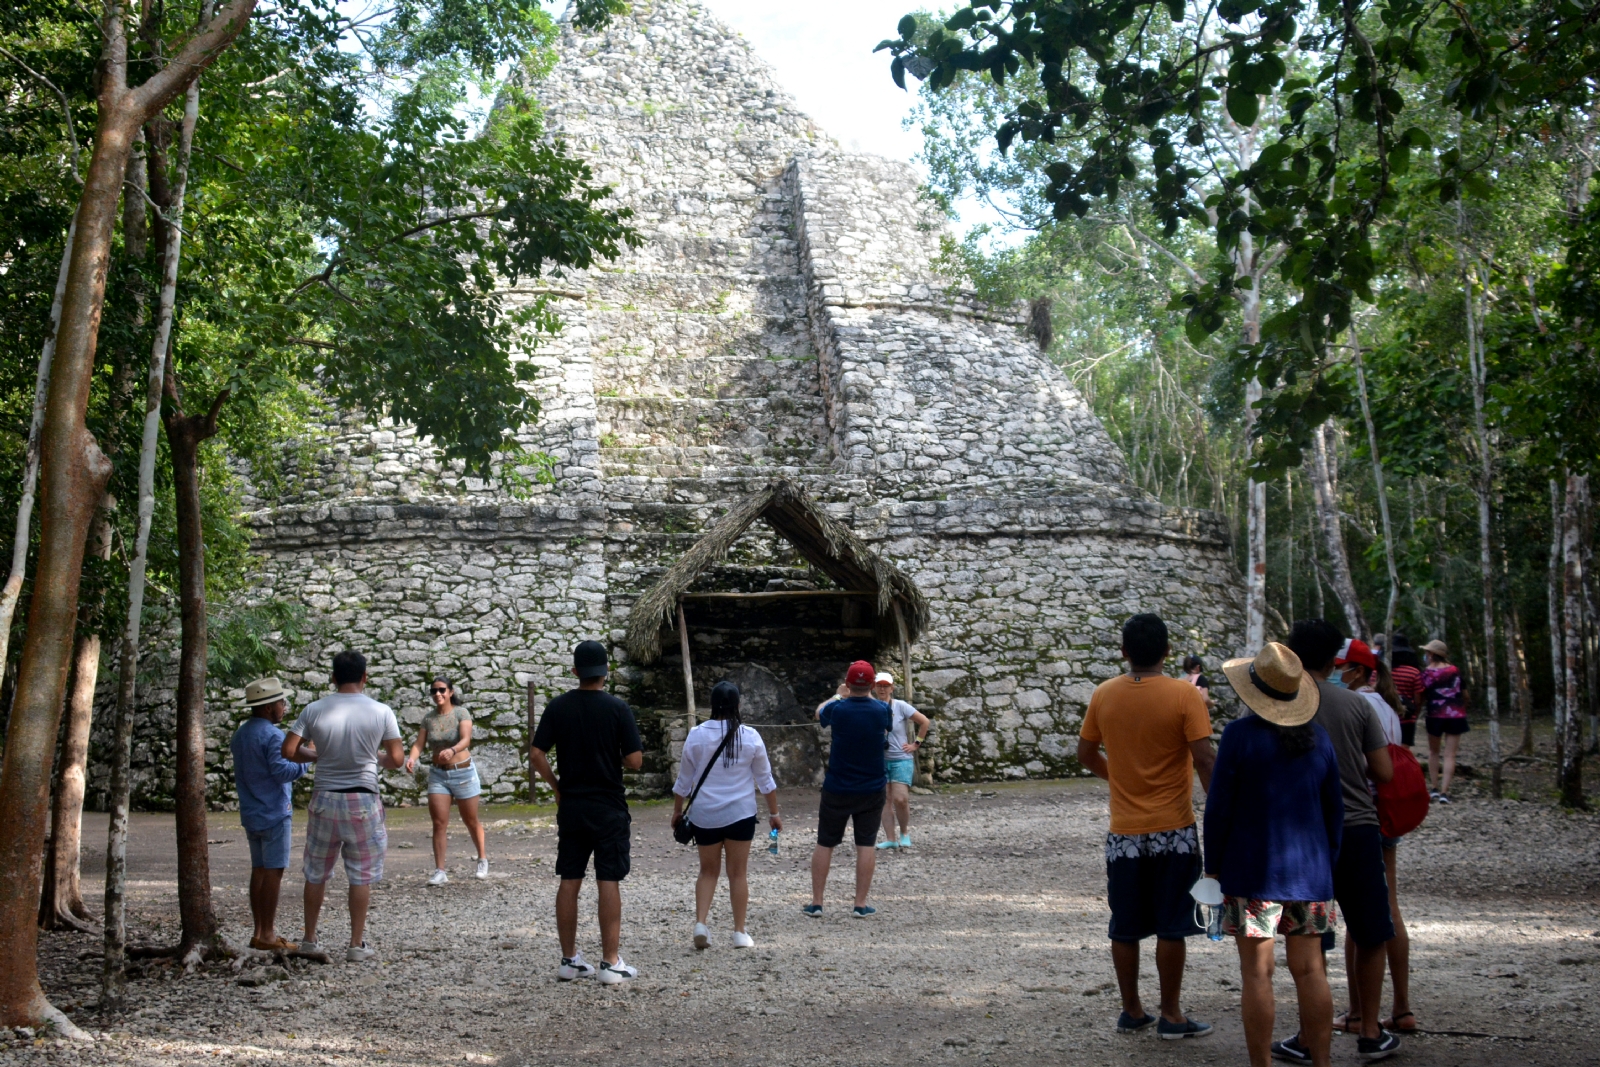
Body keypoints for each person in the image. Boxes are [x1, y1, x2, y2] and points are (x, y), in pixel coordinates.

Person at [1076, 613, 1215, 1041]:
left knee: (1126, 922)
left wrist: (1117, 777)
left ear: (1124, 651)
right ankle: (1171, 1013)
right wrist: (1222, 807)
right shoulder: (1184, 696)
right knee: (1173, 922)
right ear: (1167, 651)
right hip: (1174, 826)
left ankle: (1131, 1009)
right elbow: (1205, 757)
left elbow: (1084, 754)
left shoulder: (1104, 694)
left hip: (1124, 832)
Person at [1209, 643, 1342, 1067]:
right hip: (1311, 873)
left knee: (1257, 974)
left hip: (1253, 875)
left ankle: (1261, 1065)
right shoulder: (1319, 740)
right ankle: (1322, 1061)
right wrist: (1327, 865)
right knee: (1311, 972)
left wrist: (1214, 868)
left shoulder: (1238, 737)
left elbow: (1219, 809)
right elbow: (1334, 812)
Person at [1277, 620, 1399, 1063]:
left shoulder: (1273, 705)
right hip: (1357, 829)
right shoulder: (1356, 706)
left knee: (1310, 942)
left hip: (1299, 835)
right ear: (1334, 661)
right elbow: (1383, 773)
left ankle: (1311, 1036)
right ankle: (1369, 1029)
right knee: (1370, 931)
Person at [530, 640, 644, 985]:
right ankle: (610, 962)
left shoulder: (558, 707)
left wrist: (557, 787)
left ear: (575, 671)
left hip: (573, 805)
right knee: (608, 878)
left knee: (570, 878)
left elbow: (536, 754)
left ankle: (569, 960)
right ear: (606, 672)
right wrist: (616, 755)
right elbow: (636, 762)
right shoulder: (618, 709)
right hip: (608, 806)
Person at [282, 650, 404, 963]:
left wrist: (316, 756)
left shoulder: (314, 709)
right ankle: (355, 943)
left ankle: (309, 938)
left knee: (316, 871)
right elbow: (398, 758)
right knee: (360, 875)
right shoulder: (381, 711)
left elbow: (289, 750)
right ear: (365, 677)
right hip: (363, 796)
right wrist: (375, 759)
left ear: (333, 677)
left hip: (324, 796)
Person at [1334, 640, 1418, 1036]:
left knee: (1360, 916)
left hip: (1362, 817)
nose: (1335, 674)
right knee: (1388, 909)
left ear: (1357, 671)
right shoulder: (1388, 707)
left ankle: (1356, 1012)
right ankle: (1401, 1007)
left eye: (1341, 668)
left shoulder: (1356, 705)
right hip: (1387, 814)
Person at [670, 680, 783, 949]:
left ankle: (701, 923)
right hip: (740, 814)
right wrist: (774, 813)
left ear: (712, 705)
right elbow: (765, 780)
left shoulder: (697, 734)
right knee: (738, 873)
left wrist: (676, 811)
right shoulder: (751, 736)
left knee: (708, 871)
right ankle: (739, 932)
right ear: (738, 706)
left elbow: (684, 781)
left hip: (705, 815)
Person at [231, 677, 316, 952]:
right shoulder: (273, 735)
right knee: (274, 871)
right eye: (281, 702)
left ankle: (259, 931)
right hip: (275, 812)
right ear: (269, 707)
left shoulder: (241, 733)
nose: (284, 707)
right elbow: (282, 772)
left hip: (251, 811)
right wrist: (307, 760)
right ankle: (267, 933)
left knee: (259, 870)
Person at [805, 660, 891, 919]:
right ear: (873, 685)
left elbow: (820, 713)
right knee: (866, 844)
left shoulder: (839, 709)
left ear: (848, 683)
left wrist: (837, 695)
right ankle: (860, 904)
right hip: (872, 786)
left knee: (825, 842)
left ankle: (817, 903)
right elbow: (886, 724)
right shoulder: (881, 710)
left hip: (838, 786)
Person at [404, 677, 488, 886]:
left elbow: (466, 739)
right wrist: (412, 758)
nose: (437, 694)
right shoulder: (428, 718)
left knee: (470, 820)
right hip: (439, 774)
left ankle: (482, 859)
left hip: (462, 772)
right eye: (434, 691)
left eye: (442, 690)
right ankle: (440, 870)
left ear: (450, 692)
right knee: (439, 823)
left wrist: (452, 750)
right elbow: (419, 743)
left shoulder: (461, 713)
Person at [871, 671, 929, 850]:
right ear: (873, 687)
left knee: (900, 798)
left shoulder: (900, 706)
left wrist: (915, 744)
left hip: (900, 758)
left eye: (885, 685)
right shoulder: (870, 706)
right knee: (884, 800)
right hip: (879, 759)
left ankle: (904, 832)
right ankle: (890, 838)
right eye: (879, 685)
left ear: (892, 688)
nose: (882, 689)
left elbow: (924, 722)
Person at [1419, 639, 1467, 803]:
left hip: (1434, 715)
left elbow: (1422, 695)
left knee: (1434, 752)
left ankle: (1434, 788)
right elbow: (1464, 693)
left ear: (1431, 655)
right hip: (1456, 715)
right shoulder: (1455, 670)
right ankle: (1445, 792)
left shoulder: (1426, 673)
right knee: (1450, 755)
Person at [1388, 634, 1424, 747]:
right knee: (1404, 753)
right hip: (1407, 719)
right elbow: (1418, 700)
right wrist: (1415, 715)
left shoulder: (1380, 672)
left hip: (1385, 718)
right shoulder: (1414, 672)